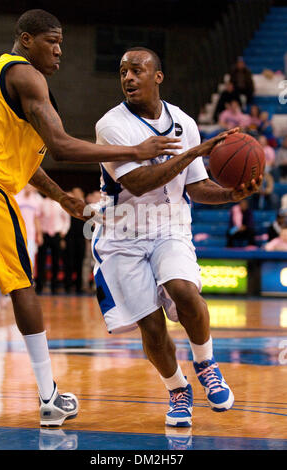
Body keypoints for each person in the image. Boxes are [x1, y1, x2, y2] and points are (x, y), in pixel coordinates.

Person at [0, 9, 182, 427]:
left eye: (61, 43)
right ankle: (48, 397)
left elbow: (25, 157)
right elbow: (60, 146)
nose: (59, 51)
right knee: (23, 288)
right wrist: (135, 152)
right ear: (25, 40)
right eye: (51, 41)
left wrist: (60, 196)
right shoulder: (26, 77)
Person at [91, 47, 261, 427]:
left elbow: (197, 187)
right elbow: (138, 181)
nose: (128, 78)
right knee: (151, 326)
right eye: (123, 72)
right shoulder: (111, 124)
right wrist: (192, 153)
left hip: (170, 227)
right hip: (122, 235)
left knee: (184, 290)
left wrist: (232, 194)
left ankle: (206, 364)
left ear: (158, 77)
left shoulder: (184, 122)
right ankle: (177, 389)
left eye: (137, 70)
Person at [36, 196, 70, 294]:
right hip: (45, 234)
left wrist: (63, 232)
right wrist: (39, 233)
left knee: (56, 260)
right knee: (41, 261)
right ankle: (40, 285)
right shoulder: (42, 202)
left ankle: (54, 286)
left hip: (57, 234)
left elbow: (66, 219)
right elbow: (37, 217)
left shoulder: (60, 203)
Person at [15, 184, 43, 272]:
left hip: (30, 234)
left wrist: (39, 235)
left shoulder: (35, 200)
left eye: (31, 186)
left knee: (30, 258)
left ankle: (29, 282)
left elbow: (36, 219)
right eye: (27, 185)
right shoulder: (16, 197)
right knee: (17, 258)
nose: (29, 187)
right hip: (17, 233)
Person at [64, 187, 86, 294]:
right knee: (69, 261)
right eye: (74, 192)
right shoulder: (69, 204)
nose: (76, 193)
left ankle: (79, 286)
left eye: (78, 192)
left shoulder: (85, 205)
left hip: (81, 237)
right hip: (70, 237)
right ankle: (67, 285)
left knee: (80, 262)